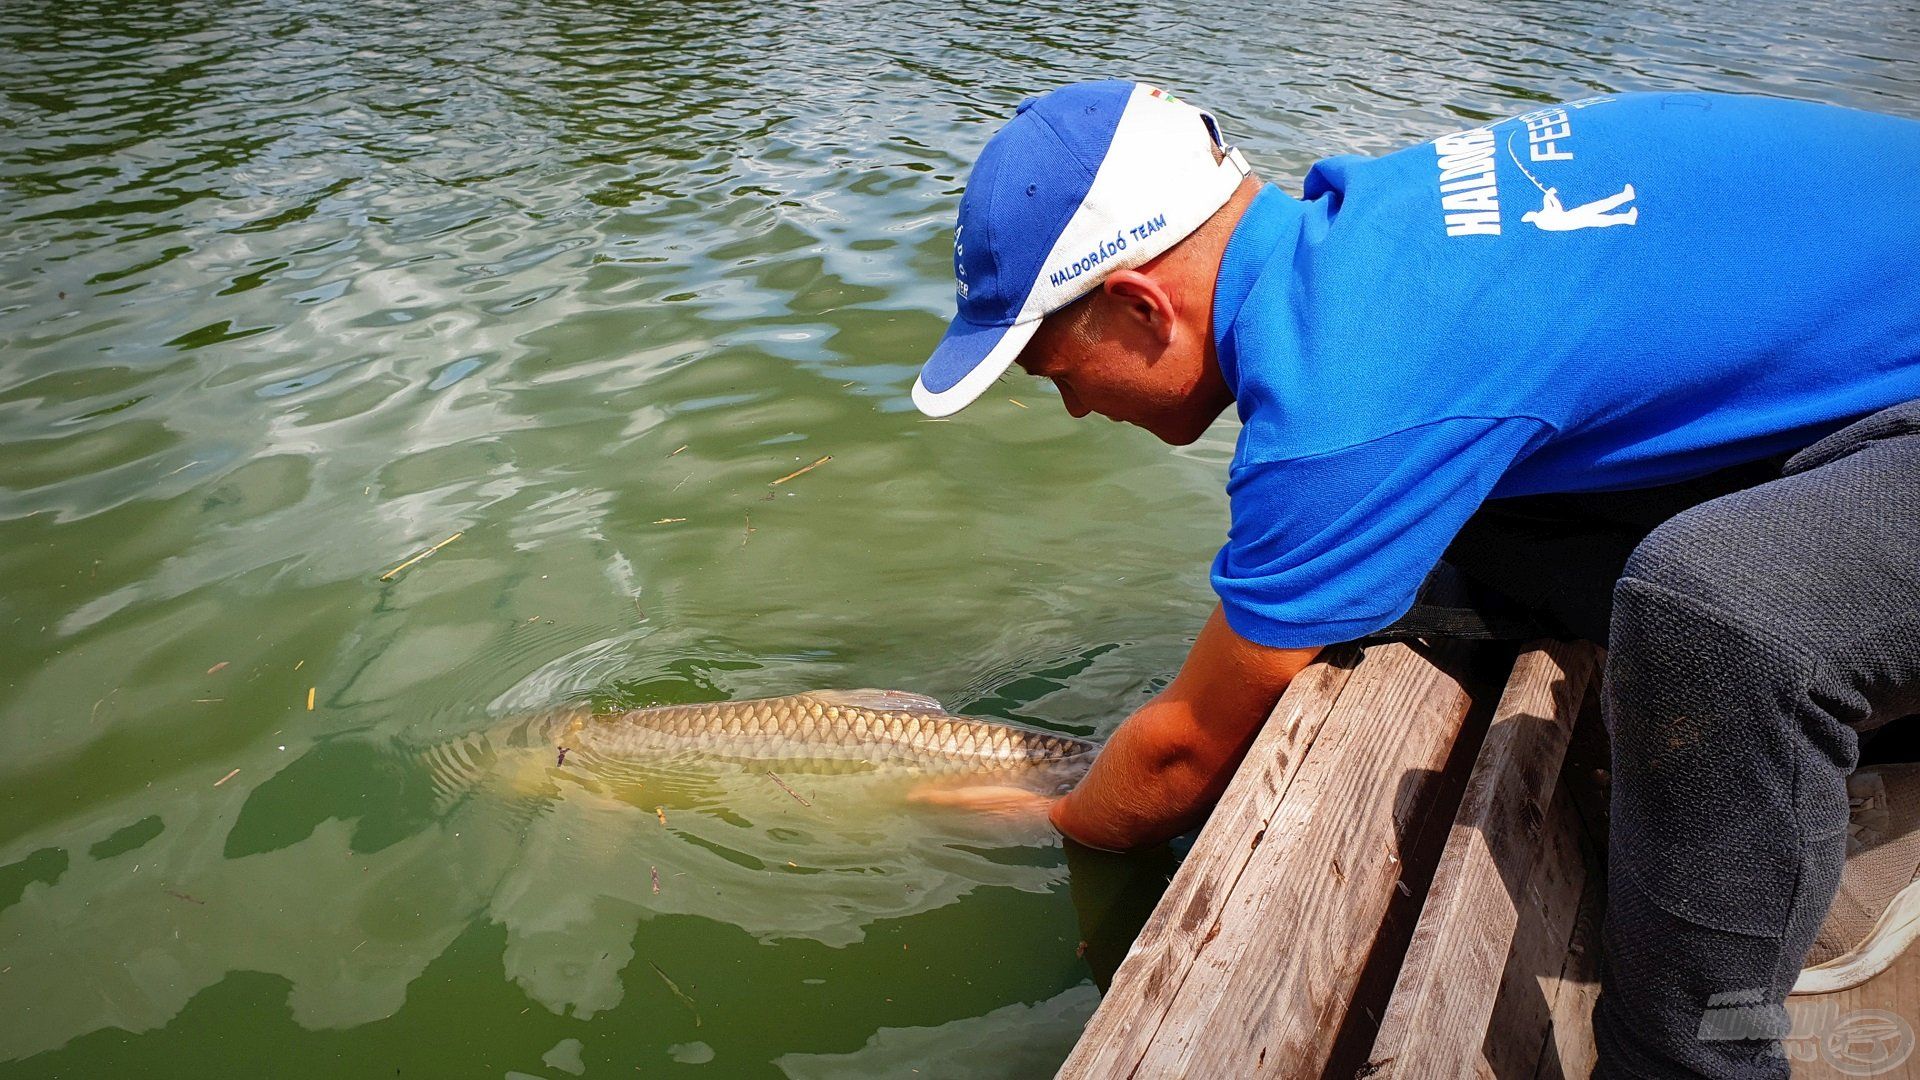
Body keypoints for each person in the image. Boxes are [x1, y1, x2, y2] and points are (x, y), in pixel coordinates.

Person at [907, 81, 1920, 1076]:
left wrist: (1044, 816)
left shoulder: (1336, 404)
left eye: (1056, 372)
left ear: (1137, 308)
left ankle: (1689, 1059)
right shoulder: (1368, 228)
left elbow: (1175, 760)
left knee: (1711, 611)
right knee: (1482, 544)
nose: (1076, 409)